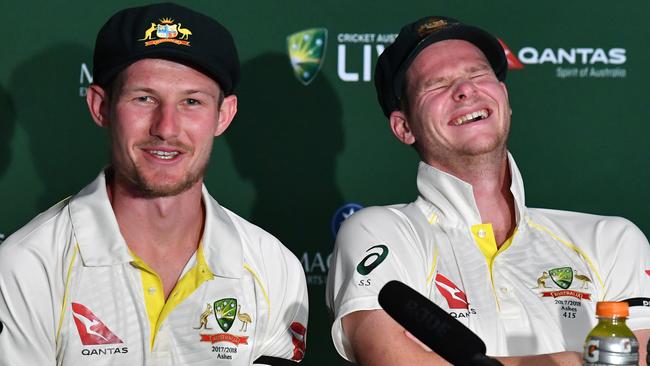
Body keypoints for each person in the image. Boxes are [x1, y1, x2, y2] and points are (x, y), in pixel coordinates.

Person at [326, 15, 650, 365]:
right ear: (404, 127)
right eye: (437, 84)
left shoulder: (611, 241)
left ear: (504, 99)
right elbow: (391, 360)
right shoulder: (380, 232)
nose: (465, 90)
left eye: (478, 74)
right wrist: (585, 360)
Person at [0, 3, 308, 365]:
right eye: (144, 98)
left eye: (192, 101)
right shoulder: (27, 265)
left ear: (223, 115)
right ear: (101, 106)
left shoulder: (273, 268)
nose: (165, 127)